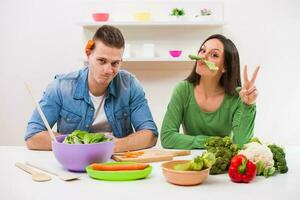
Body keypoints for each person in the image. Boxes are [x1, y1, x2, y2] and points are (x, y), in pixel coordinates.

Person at [25, 25, 158, 152]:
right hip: (74, 162)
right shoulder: (60, 87)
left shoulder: (130, 85)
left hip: (116, 164)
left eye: (115, 63)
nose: (108, 70)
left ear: (121, 62)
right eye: (102, 61)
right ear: (88, 55)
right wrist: (81, 144)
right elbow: (32, 136)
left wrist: (115, 146)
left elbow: (150, 135)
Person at [161, 34, 260, 149]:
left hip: (222, 162)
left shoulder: (238, 96)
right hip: (190, 162)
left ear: (225, 67)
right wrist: (212, 142)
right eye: (203, 50)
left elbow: (242, 144)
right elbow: (167, 137)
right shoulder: (183, 90)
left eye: (214, 54)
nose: (203, 56)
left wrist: (248, 105)